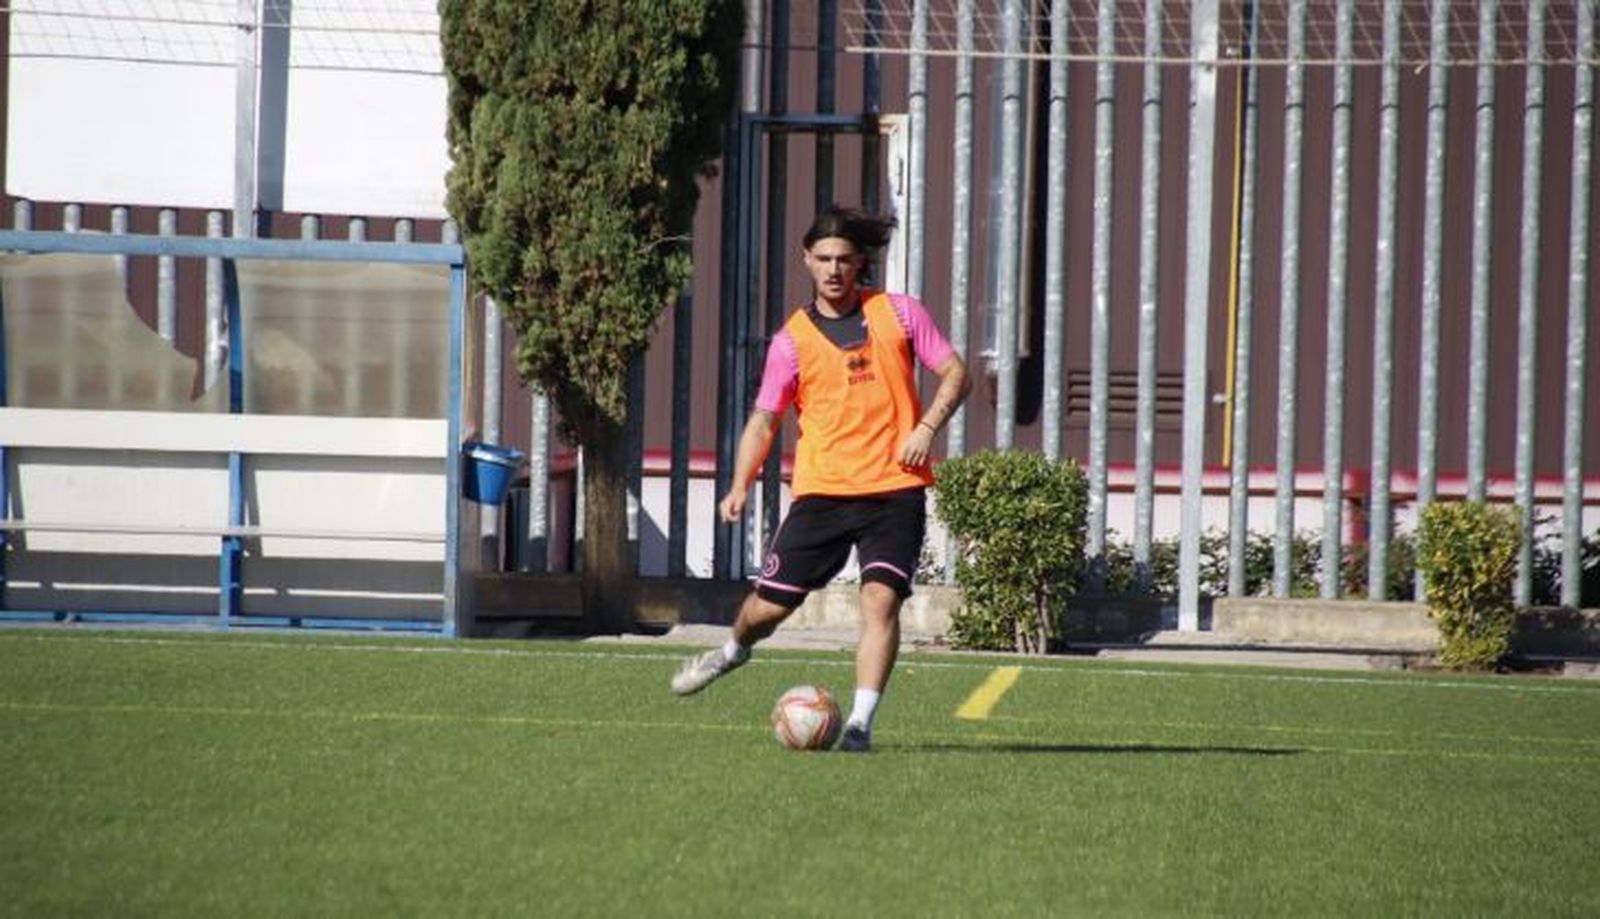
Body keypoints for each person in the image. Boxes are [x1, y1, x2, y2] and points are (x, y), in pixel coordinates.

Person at [670, 206, 970, 753]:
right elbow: (765, 418)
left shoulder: (900, 315)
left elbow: (955, 372)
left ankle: (859, 725)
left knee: (880, 599)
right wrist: (739, 484)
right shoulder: (791, 341)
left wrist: (926, 427)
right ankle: (733, 650)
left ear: (861, 264)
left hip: (894, 488)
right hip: (823, 494)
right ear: (806, 261)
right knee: (769, 608)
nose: (834, 269)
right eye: (824, 259)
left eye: (845, 260)